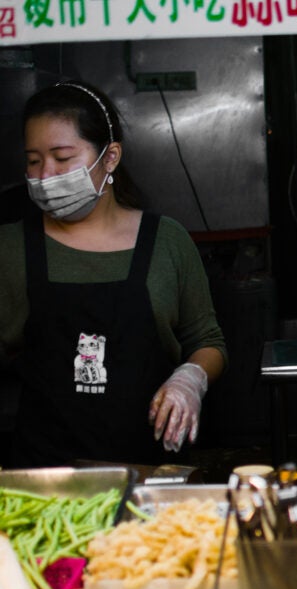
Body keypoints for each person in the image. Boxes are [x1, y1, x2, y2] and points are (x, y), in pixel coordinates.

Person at [0, 80, 227, 467]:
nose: (45, 174)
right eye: (34, 160)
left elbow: (207, 342)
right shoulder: (10, 246)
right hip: (43, 476)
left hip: (150, 469)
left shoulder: (166, 241)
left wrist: (190, 379)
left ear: (110, 157)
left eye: (62, 156)